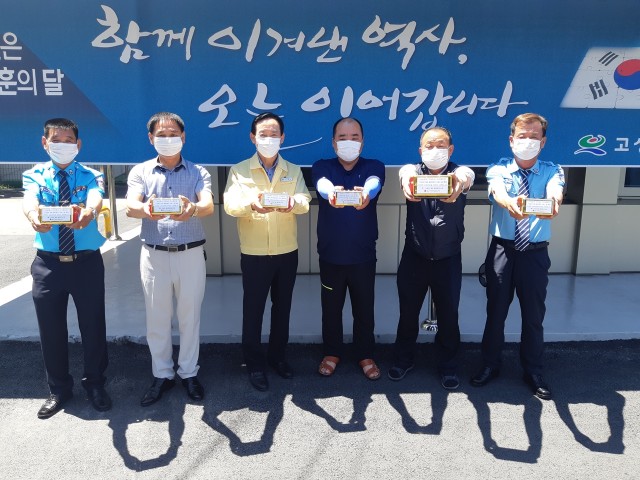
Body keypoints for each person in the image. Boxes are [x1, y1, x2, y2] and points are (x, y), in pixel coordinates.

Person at [471, 113, 564, 400]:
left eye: (534, 137)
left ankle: (533, 371)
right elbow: (498, 191)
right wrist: (510, 202)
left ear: (543, 142)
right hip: (503, 251)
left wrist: (554, 203)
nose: (528, 141)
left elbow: (555, 192)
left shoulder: (553, 170)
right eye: (522, 136)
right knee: (496, 312)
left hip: (535, 254)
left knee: (534, 316)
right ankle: (490, 364)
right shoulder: (498, 168)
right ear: (512, 140)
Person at [22, 118, 111, 419]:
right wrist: (33, 216)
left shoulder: (91, 175)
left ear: (78, 144)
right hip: (47, 265)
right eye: (56, 140)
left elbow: (96, 197)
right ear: (45, 143)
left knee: (93, 325)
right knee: (51, 329)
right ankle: (59, 390)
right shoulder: (34, 175)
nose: (63, 145)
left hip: (86, 263)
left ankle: (96, 384)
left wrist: (90, 212)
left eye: (69, 140)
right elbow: (29, 200)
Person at [126, 112, 214, 406]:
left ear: (183, 137)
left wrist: (193, 209)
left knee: (190, 317)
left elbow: (207, 205)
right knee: (157, 319)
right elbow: (131, 205)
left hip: (190, 254)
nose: (167, 139)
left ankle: (189, 373)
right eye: (161, 135)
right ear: (151, 138)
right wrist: (145, 209)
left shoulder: (198, 172)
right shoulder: (140, 171)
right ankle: (162, 374)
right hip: (154, 256)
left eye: (173, 134)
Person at [223, 112, 311, 392]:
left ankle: (278, 358)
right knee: (253, 310)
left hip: (287, 251)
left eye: (274, 134)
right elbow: (230, 206)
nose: (269, 139)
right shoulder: (239, 171)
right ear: (253, 137)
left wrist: (292, 203)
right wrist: (252, 204)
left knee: (282, 309)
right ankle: (254, 364)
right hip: (255, 253)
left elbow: (305, 200)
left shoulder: (292, 170)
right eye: (263, 134)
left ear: (282, 138)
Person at [388, 126, 475, 390]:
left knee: (448, 315)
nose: (435, 150)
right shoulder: (413, 173)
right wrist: (406, 178)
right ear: (420, 150)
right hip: (415, 256)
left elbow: (467, 175)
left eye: (441, 145)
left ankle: (448, 366)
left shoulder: (458, 174)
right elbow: (404, 172)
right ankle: (403, 360)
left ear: (451, 149)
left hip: (448, 258)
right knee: (408, 313)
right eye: (429, 146)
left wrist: (460, 180)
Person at [312, 117, 386, 380]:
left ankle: (365, 354)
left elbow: (374, 183)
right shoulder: (322, 166)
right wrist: (330, 191)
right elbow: (322, 184)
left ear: (362, 142)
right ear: (334, 143)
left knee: (364, 308)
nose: (349, 142)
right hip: (330, 255)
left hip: (363, 255)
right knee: (331, 309)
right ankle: (331, 352)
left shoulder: (374, 166)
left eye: (354, 137)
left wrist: (366, 192)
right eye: (342, 138)